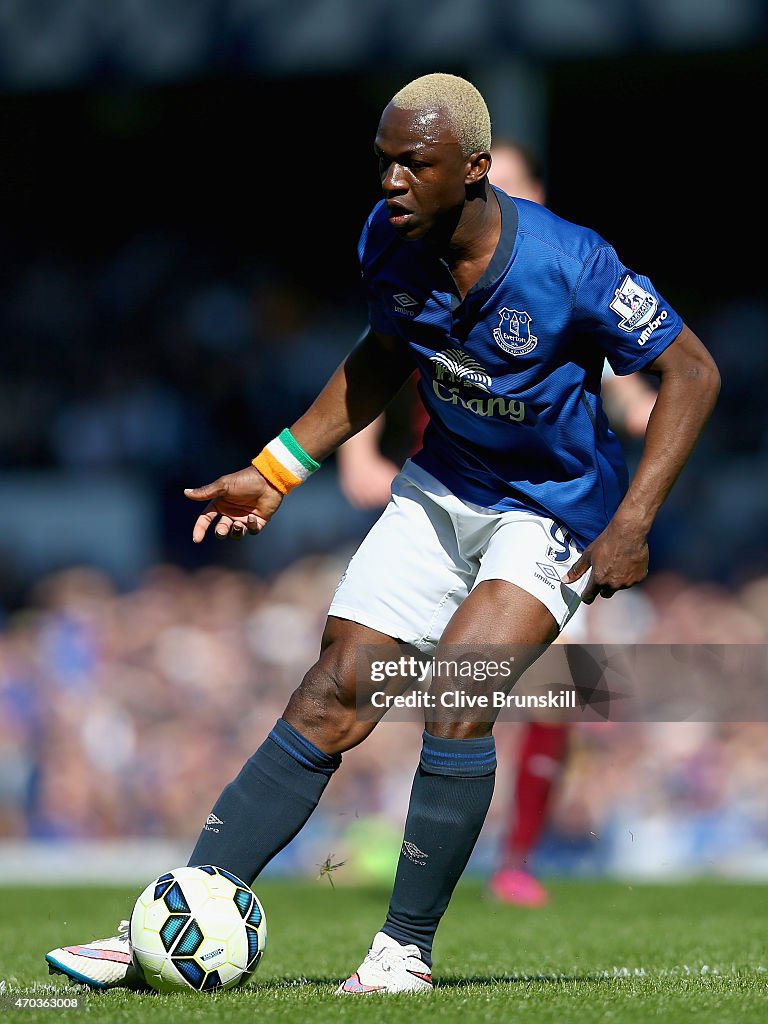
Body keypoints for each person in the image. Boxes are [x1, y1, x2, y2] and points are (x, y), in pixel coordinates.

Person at [46, 72, 719, 994]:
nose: (393, 182)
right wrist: (279, 466)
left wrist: (635, 520)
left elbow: (693, 371)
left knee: (456, 688)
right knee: (332, 691)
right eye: (385, 162)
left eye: (417, 163)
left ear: (476, 169)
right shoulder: (386, 244)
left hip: (554, 510)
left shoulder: (572, 262)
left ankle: (402, 951)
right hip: (443, 486)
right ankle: (176, 915)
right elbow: (382, 356)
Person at [335, 137, 657, 909]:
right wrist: (367, 471)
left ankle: (515, 857)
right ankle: (388, 837)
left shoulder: (565, 289)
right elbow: (374, 381)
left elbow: (635, 392)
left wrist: (645, 406)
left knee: (563, 687)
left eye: (512, 186)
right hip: (441, 504)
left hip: (540, 513)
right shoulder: (430, 282)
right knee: (374, 678)